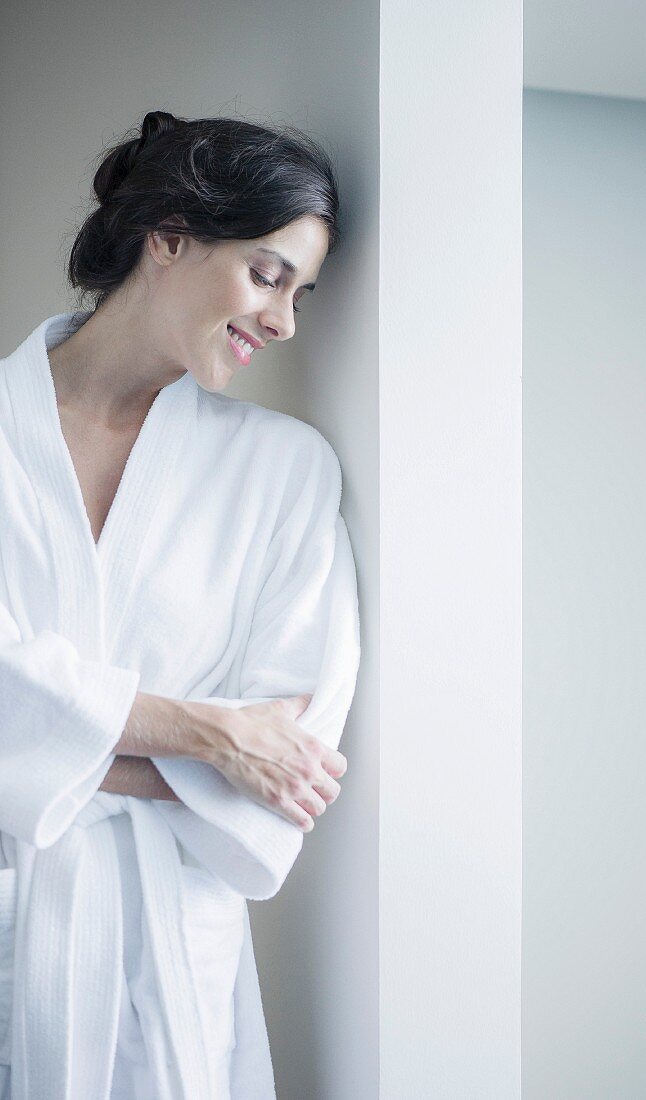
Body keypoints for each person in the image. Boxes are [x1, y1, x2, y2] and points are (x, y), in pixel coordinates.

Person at [0, 109, 361, 1100]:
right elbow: (238, 742)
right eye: (267, 273)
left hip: (170, 956)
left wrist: (47, 736)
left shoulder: (286, 471)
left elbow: (285, 755)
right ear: (168, 236)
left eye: (303, 294)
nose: (284, 322)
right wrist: (202, 729)